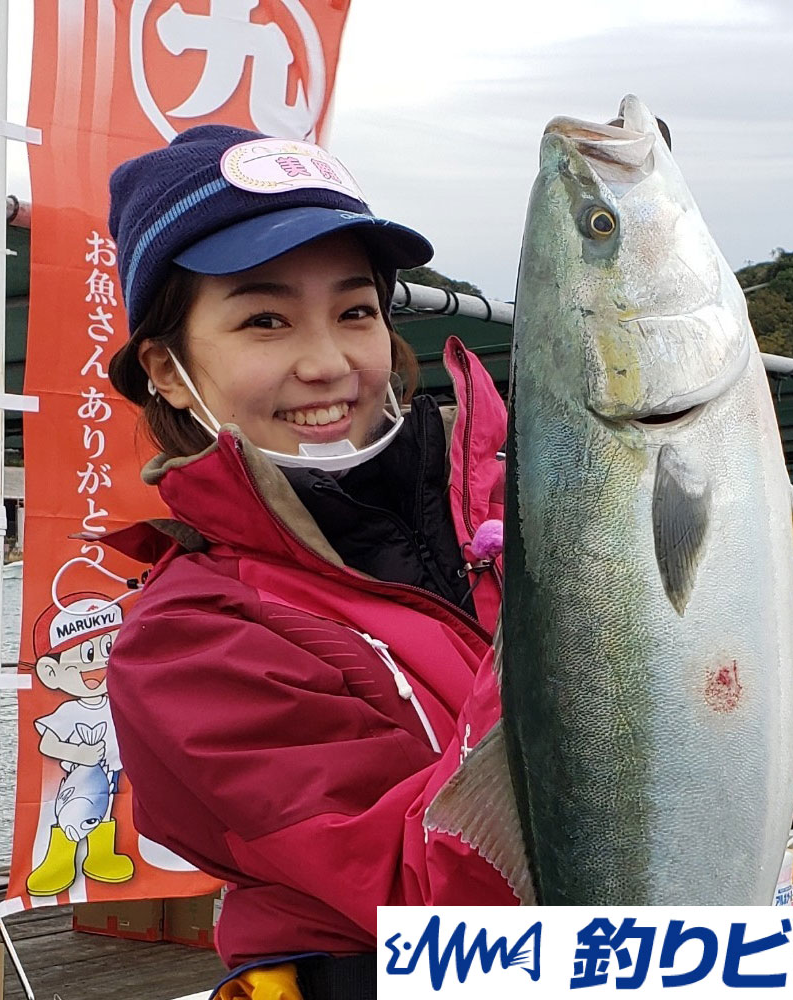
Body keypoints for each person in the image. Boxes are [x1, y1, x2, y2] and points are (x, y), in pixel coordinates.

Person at [91, 125, 517, 1000]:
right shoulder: (190, 643)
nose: (328, 364)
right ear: (168, 370)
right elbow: (435, 895)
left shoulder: (514, 518)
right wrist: (583, 628)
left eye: (355, 311)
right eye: (265, 320)